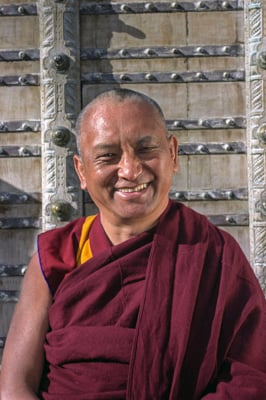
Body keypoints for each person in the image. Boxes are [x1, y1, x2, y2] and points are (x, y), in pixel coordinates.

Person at [0, 88, 265, 400]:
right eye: (108, 156)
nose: (130, 170)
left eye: (145, 150)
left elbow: (249, 377)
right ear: (82, 172)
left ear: (173, 154)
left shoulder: (213, 254)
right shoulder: (58, 254)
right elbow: (14, 386)